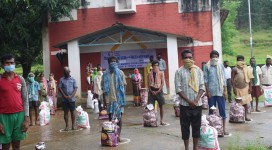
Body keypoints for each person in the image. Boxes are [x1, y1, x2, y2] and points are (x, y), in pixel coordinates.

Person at [175, 50, 205, 150]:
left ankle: (195, 147)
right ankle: (186, 148)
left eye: (190, 57)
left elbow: (202, 86)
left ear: (193, 58)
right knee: (185, 128)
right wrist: (189, 101)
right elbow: (178, 89)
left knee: (196, 127)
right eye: (186, 57)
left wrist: (196, 100)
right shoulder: (179, 71)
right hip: (184, 105)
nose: (189, 59)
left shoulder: (198, 70)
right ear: (182, 59)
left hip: (197, 104)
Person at [0, 54, 29, 150]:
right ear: (2, 65)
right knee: (5, 145)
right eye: (7, 63)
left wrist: (26, 118)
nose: (9, 65)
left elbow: (25, 99)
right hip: (4, 117)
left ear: (15, 64)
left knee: (16, 143)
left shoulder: (20, 79)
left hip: (19, 115)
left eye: (11, 63)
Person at [204, 50, 229, 136]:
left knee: (222, 109)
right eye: (213, 56)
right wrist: (207, 91)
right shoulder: (206, 66)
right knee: (212, 110)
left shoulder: (221, 65)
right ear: (210, 57)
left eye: (216, 56)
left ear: (218, 57)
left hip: (220, 92)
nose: (215, 58)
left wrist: (225, 90)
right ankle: (212, 129)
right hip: (211, 92)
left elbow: (224, 78)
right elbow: (205, 80)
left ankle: (223, 129)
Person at [102, 56, 126, 142]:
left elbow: (124, 85)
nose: (113, 63)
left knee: (119, 118)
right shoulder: (105, 74)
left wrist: (123, 98)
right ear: (108, 63)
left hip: (119, 100)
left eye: (114, 61)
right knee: (110, 118)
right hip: (109, 100)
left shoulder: (120, 73)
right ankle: (113, 135)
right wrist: (104, 102)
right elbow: (103, 89)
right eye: (111, 61)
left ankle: (119, 135)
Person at [231, 55, 253, 121]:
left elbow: (250, 78)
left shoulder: (246, 69)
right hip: (237, 88)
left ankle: (245, 116)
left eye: (242, 60)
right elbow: (232, 79)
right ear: (237, 61)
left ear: (243, 61)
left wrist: (250, 87)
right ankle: (238, 117)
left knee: (245, 103)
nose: (240, 61)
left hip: (246, 87)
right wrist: (234, 88)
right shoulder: (234, 69)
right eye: (239, 60)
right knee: (238, 104)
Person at [148, 60, 167, 125]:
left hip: (159, 91)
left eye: (157, 65)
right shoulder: (149, 73)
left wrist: (158, 91)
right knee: (150, 107)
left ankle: (162, 120)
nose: (156, 67)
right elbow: (148, 84)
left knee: (161, 106)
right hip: (151, 91)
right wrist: (151, 91)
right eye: (155, 65)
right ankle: (152, 120)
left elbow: (162, 83)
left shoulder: (161, 73)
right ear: (152, 66)